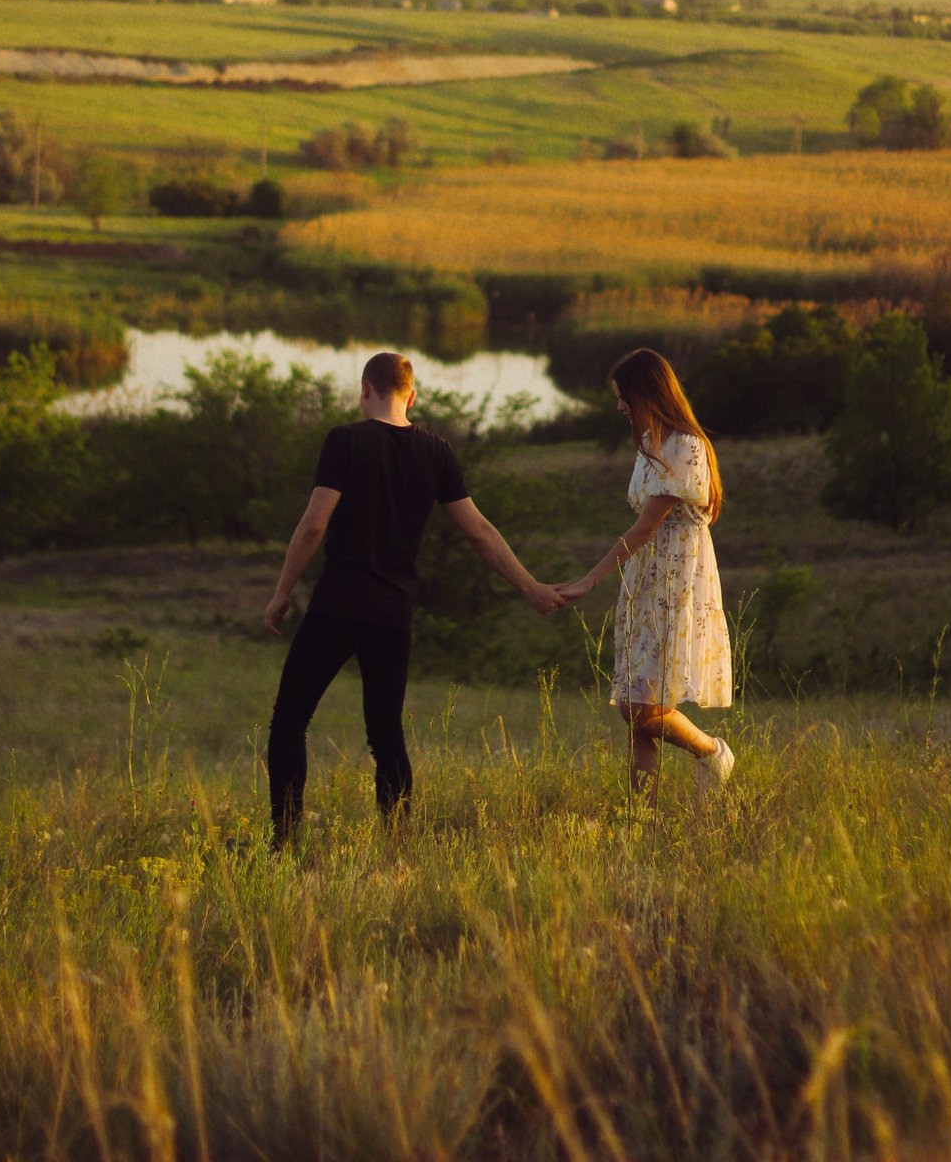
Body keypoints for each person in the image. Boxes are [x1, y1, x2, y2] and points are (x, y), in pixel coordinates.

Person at [264, 350, 564, 846]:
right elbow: (480, 532)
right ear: (412, 395)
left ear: (365, 389)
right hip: (394, 612)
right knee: (386, 736)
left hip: (338, 604)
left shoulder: (344, 441)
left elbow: (315, 523)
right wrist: (529, 586)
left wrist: (281, 591)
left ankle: (284, 842)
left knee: (291, 720)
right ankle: (397, 844)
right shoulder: (437, 452)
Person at [556, 348, 734, 802]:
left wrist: (589, 580)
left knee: (644, 707)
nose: (619, 407)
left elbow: (646, 526)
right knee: (635, 708)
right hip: (644, 582)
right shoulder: (650, 445)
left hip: (675, 584)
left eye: (624, 397)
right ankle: (642, 818)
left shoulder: (686, 446)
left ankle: (712, 752)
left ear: (647, 394)